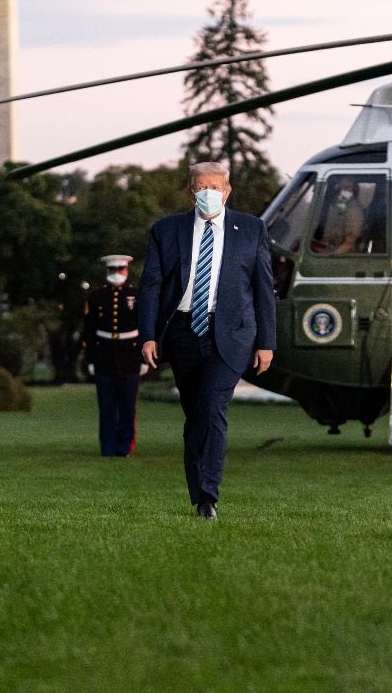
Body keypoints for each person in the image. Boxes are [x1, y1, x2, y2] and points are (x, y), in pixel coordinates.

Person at [137, 162, 276, 519]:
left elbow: (263, 288)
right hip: (183, 332)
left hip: (230, 334)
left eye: (215, 186)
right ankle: (198, 489)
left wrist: (266, 342)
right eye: (201, 187)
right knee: (196, 414)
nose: (208, 193)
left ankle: (207, 497)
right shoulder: (166, 231)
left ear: (228, 191)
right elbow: (151, 285)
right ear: (190, 191)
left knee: (213, 408)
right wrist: (149, 336)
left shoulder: (251, 229)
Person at [82, 254, 143, 457]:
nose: (116, 274)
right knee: (107, 408)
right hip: (104, 355)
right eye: (112, 270)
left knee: (127, 407)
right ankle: (107, 448)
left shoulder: (136, 294)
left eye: (120, 269)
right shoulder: (97, 297)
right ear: (107, 271)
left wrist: (143, 359)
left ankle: (124, 447)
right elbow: (89, 330)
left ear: (126, 270)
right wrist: (90, 358)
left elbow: (144, 328)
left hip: (129, 356)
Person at [319, 176, 365, 254]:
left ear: (354, 189)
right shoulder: (336, 206)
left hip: (343, 255)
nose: (344, 191)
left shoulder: (354, 209)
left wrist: (329, 256)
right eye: (342, 188)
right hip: (331, 249)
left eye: (348, 187)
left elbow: (349, 244)